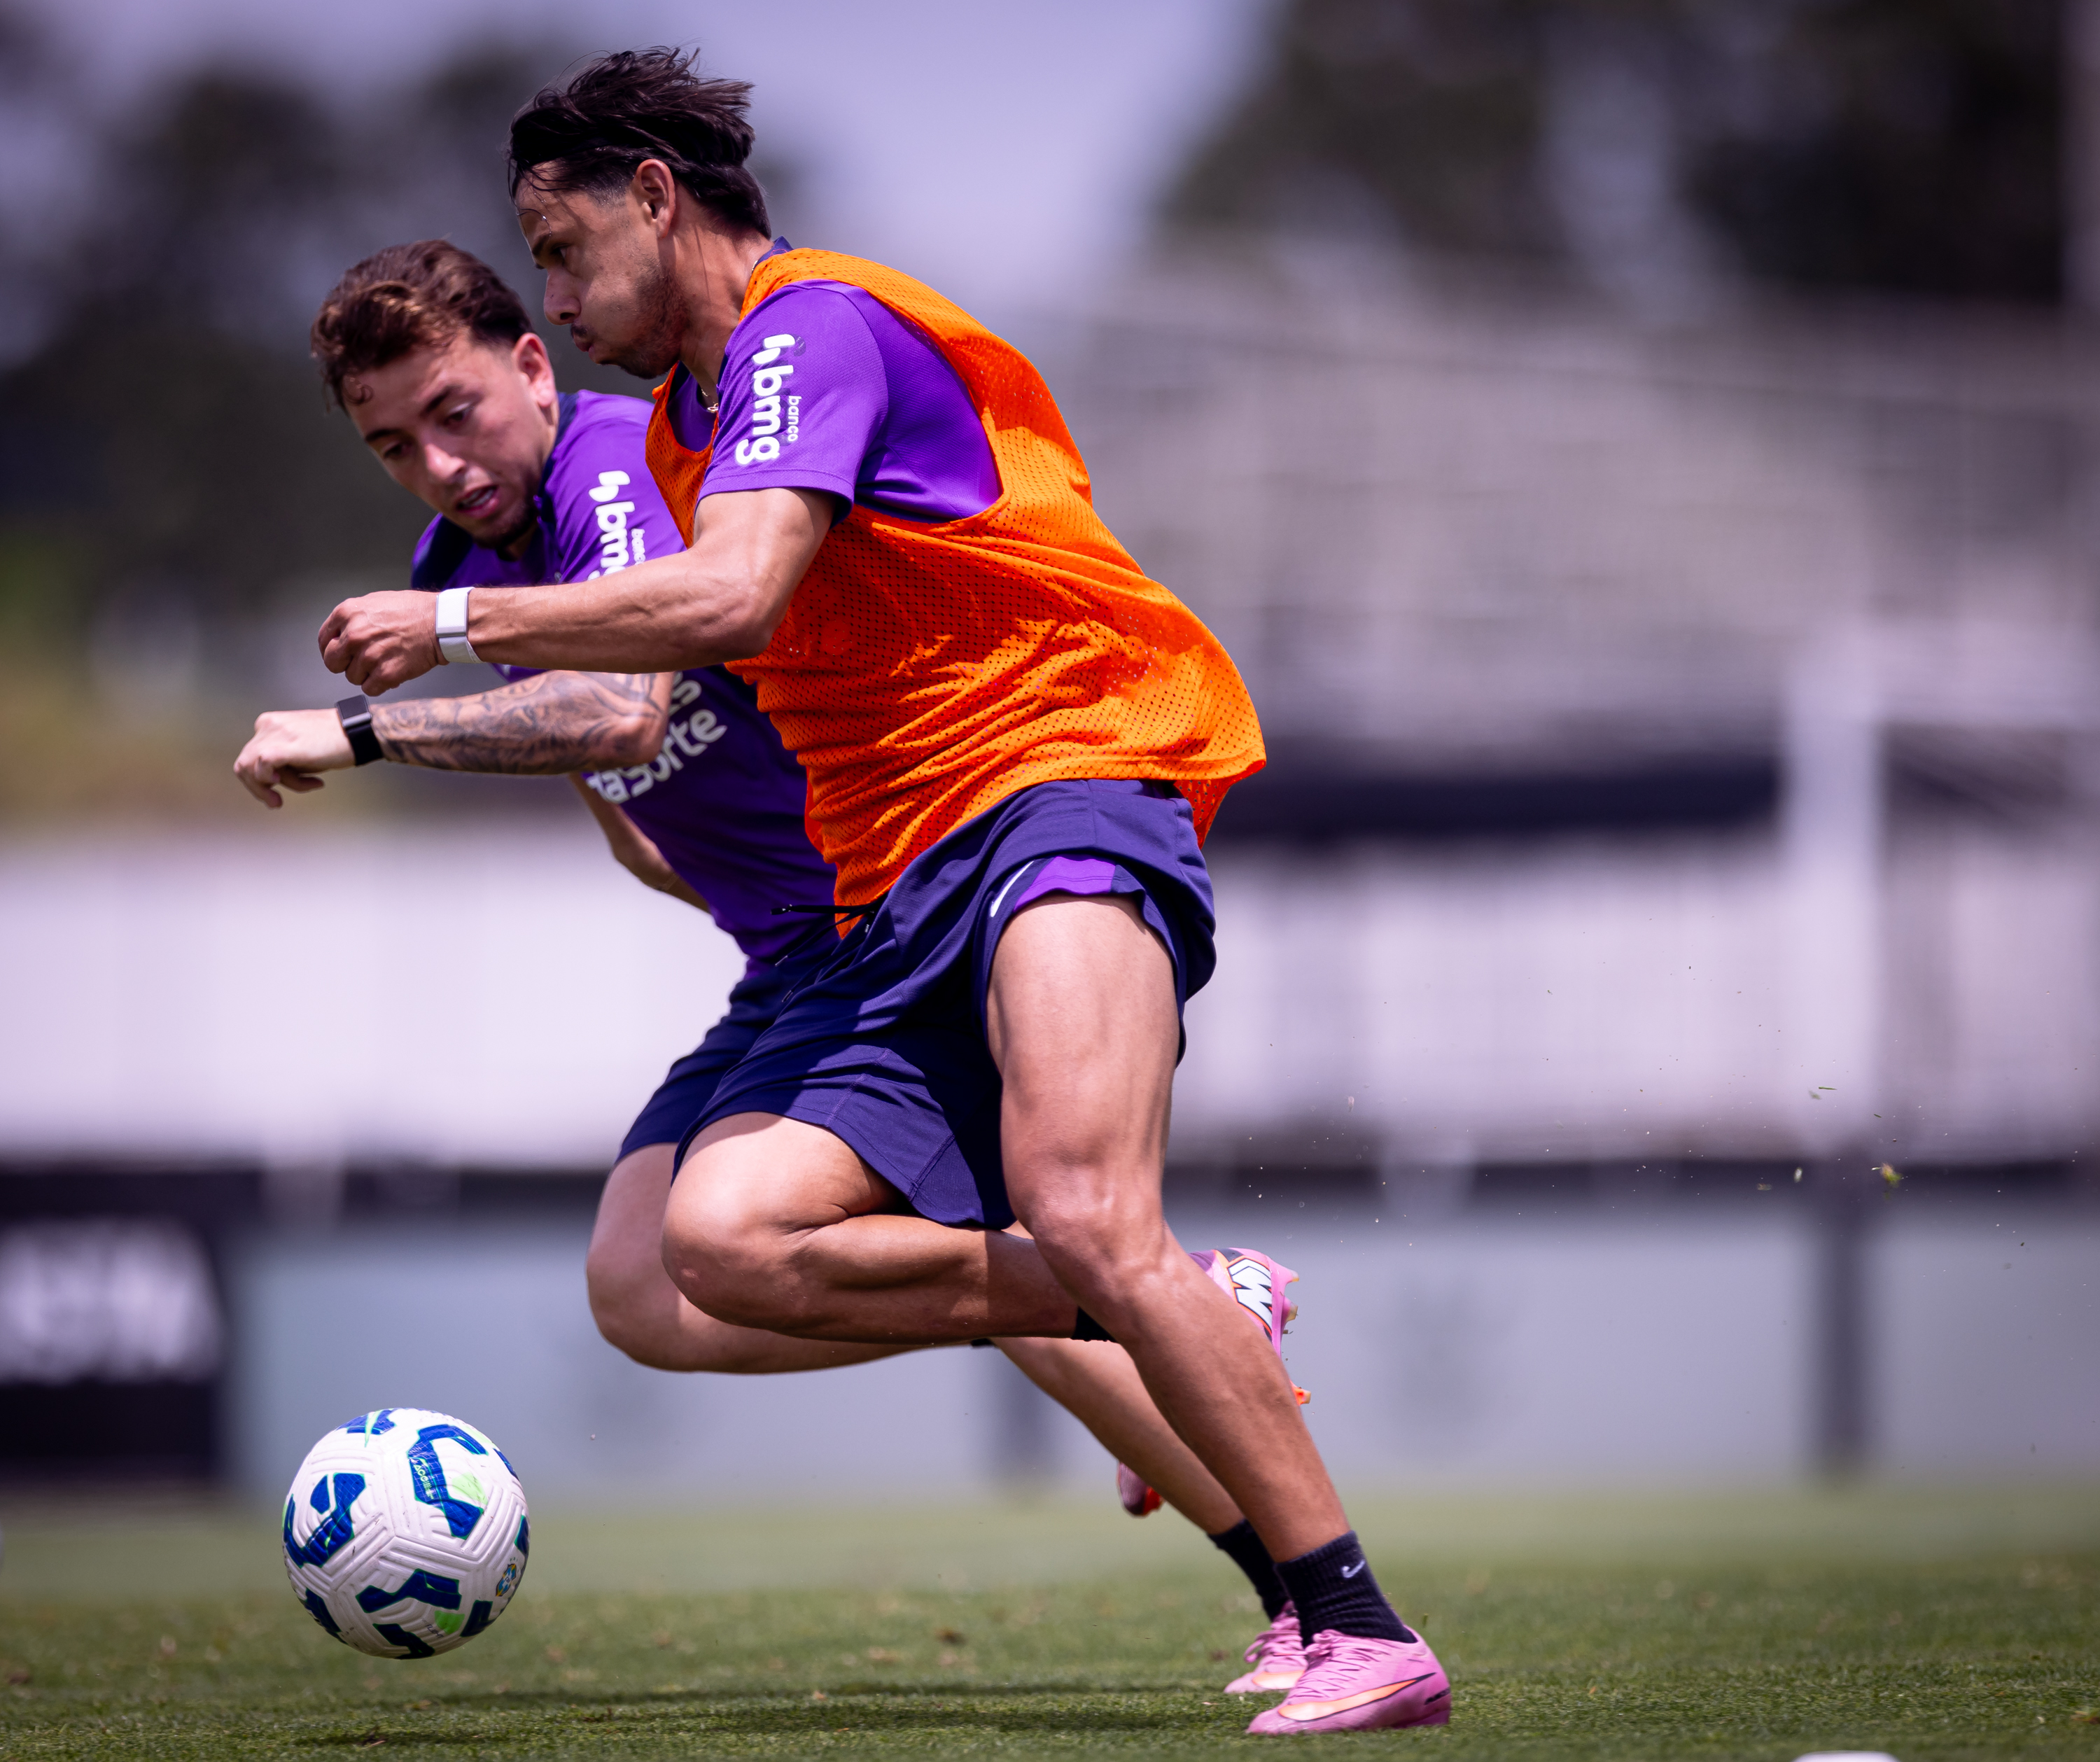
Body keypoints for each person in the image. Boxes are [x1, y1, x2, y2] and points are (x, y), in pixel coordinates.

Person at [317, 55, 1448, 1732]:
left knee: (1072, 1208)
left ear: (653, 198)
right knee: (699, 1263)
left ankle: (1344, 1607)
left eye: (557, 261)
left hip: (1061, 770)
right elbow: (657, 753)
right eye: (390, 442)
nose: (555, 295)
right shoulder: (693, 423)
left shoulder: (780, 348)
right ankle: (1192, 1339)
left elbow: (703, 620)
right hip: (883, 879)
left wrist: (401, 701)